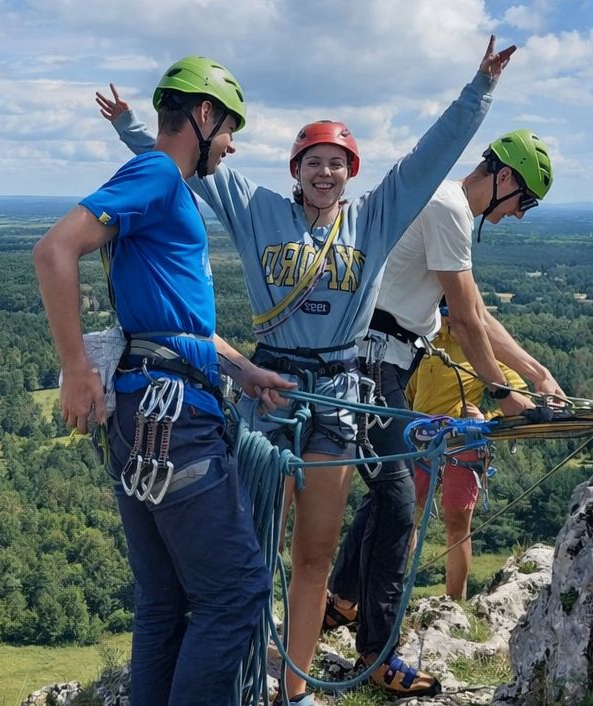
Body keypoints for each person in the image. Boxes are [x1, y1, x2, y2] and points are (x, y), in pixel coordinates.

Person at [96, 37, 515, 704]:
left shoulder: (373, 220)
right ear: (295, 171)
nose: (325, 172)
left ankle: (293, 691)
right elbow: (182, 161)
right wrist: (127, 126)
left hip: (340, 394)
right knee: (251, 545)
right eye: (313, 162)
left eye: (336, 163)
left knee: (314, 556)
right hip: (272, 387)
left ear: (350, 173)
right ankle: (238, 677)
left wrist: (479, 91)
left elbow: (428, 160)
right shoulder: (258, 210)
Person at [35, 56, 292, 705]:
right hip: (173, 421)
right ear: (203, 115)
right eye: (228, 128)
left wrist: (243, 370)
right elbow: (54, 249)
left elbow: (180, 324)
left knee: (165, 598)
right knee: (236, 592)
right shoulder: (156, 174)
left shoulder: (165, 188)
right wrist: (73, 369)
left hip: (146, 411)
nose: (230, 145)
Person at [327, 129, 564, 645]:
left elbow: (477, 313)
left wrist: (538, 373)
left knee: (387, 492)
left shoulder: (442, 203)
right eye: (523, 200)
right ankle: (378, 646)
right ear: (504, 178)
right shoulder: (449, 209)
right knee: (396, 503)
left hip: (378, 362)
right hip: (377, 364)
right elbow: (467, 321)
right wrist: (503, 393)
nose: (519, 214)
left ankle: (342, 602)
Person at [407, 317, 530, 598]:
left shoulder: (480, 348)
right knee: (406, 517)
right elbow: (409, 392)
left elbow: (519, 400)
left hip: (463, 442)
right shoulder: (424, 342)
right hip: (423, 440)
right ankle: (391, 596)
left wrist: (486, 418)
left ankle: (454, 602)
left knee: (457, 525)